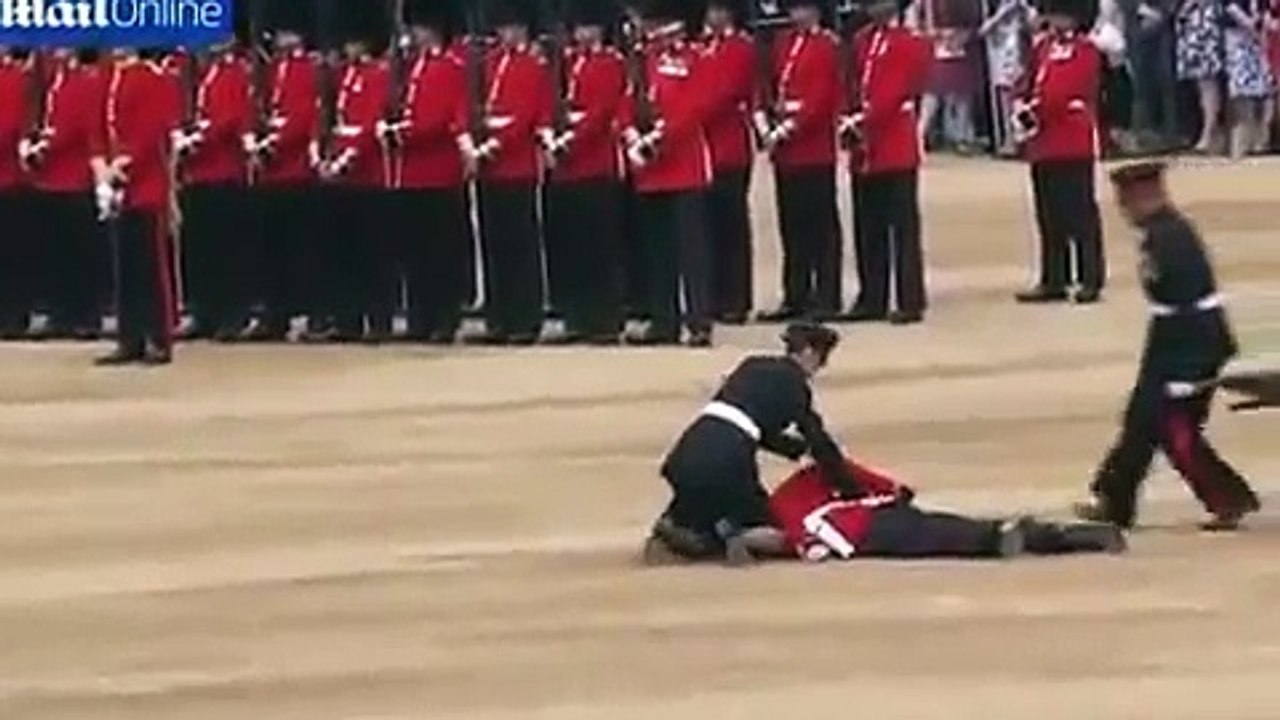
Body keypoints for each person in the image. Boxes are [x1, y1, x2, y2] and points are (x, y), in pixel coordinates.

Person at [1075, 161, 1261, 531]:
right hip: (1171, 337)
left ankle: (1228, 499)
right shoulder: (1162, 231)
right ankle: (1116, 499)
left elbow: (1187, 300)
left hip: (1189, 341)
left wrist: (1184, 370)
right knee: (1141, 420)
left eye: (1127, 200)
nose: (1124, 209)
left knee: (1174, 427)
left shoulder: (1169, 236)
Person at [642, 322, 865, 565]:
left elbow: (752, 423)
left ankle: (681, 527)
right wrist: (849, 486)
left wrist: (797, 450)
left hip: (688, 451)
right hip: (728, 463)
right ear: (808, 352)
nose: (820, 367)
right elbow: (820, 442)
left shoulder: (752, 365)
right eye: (822, 360)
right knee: (768, 525)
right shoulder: (795, 386)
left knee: (701, 502)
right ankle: (732, 535)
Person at [769, 458, 1126, 562]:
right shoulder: (802, 479)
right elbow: (847, 469)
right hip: (881, 513)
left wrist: (809, 547)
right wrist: (892, 488)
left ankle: (1004, 537)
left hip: (868, 530)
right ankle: (1072, 536)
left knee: (948, 535)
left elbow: (801, 540)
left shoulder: (781, 506)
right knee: (945, 529)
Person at [619, 0, 716, 347]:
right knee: (658, 251)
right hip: (651, 169)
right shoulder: (641, 61)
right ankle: (665, 320)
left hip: (685, 166)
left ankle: (699, 321)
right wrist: (632, 137)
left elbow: (695, 108)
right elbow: (626, 104)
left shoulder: (694, 58)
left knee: (691, 250)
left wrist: (657, 139)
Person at [458, 0, 554, 346]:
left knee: (520, 246)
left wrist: (488, 149)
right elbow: (468, 107)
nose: (507, 34)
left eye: (513, 28)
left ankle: (525, 319)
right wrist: (469, 143)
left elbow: (526, 116)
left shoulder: (533, 66)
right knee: (493, 244)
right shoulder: (489, 64)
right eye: (503, 28)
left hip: (515, 167)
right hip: (487, 170)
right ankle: (498, 317)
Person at [840, 0, 933, 326]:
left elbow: (896, 93)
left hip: (894, 141)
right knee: (869, 226)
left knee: (902, 228)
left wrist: (861, 120)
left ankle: (910, 298)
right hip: (866, 146)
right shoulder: (862, 40)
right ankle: (872, 296)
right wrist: (849, 117)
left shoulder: (911, 42)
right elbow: (851, 85)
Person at [540, 0, 627, 345]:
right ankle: (576, 316)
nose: (583, 33)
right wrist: (550, 137)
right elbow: (548, 105)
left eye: (588, 27)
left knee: (598, 247)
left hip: (593, 165)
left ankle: (603, 319)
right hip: (563, 170)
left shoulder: (610, 63)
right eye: (578, 28)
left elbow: (601, 113)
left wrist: (567, 142)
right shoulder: (566, 62)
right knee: (570, 246)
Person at [92, 47, 182, 366]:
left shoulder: (151, 79)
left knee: (150, 268)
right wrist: (102, 171)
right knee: (125, 268)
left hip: (145, 185)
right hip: (119, 188)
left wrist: (119, 169)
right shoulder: (107, 77)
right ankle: (129, 337)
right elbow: (98, 129)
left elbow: (149, 135)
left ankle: (159, 337)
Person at [1012, 0, 1106, 306]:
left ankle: (1090, 277)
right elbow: (1027, 82)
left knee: (1079, 213)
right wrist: (1020, 104)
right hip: (1044, 141)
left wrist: (1035, 109)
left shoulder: (1086, 50)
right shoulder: (1042, 48)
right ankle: (1055, 277)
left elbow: (1071, 89)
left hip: (1071, 141)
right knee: (1049, 214)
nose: (1053, 19)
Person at [388, 0, 469, 344]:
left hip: (439, 171)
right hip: (409, 173)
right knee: (415, 251)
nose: (413, 34)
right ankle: (420, 316)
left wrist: (402, 132)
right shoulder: (411, 67)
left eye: (418, 28)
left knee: (440, 251)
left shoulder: (450, 66)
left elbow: (441, 118)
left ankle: (444, 318)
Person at [755, 0, 842, 322]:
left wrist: (788, 128)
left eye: (803, 9)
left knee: (820, 226)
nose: (797, 15)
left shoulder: (827, 45)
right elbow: (773, 86)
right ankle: (796, 295)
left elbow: (822, 98)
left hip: (814, 148)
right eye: (794, 9)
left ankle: (826, 296)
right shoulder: (784, 43)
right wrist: (768, 123)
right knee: (792, 226)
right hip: (787, 154)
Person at [318, 2, 394, 343]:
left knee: (372, 253)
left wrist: (343, 161)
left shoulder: (377, 75)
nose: (347, 48)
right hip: (342, 175)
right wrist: (324, 158)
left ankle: (378, 320)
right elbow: (334, 123)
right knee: (342, 251)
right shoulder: (345, 75)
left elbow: (368, 125)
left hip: (368, 174)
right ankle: (348, 318)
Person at [172, 33, 254, 342]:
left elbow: (229, 121)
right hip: (196, 174)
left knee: (225, 250)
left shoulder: (233, 74)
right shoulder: (197, 73)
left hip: (222, 171)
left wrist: (195, 140)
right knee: (198, 249)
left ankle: (231, 314)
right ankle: (203, 310)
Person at [246, 1, 320, 341]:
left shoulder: (306, 69)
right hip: (268, 173)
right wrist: (254, 140)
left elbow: (302, 118)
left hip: (294, 170)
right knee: (269, 249)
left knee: (299, 248)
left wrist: (271, 145)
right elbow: (258, 109)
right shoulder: (270, 69)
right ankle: (274, 313)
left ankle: (303, 311)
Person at [25, 48, 106, 340]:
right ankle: (61, 313)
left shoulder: (82, 81)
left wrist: (43, 148)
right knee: (56, 253)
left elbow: (75, 127)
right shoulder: (55, 81)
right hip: (50, 178)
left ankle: (86, 315)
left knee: (80, 254)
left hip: (74, 178)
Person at [701, 0, 755, 325]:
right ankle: (715, 295)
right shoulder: (705, 47)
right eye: (711, 11)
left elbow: (726, 92)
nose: (714, 16)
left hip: (729, 147)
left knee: (731, 226)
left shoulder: (740, 48)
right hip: (705, 148)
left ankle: (736, 299)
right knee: (709, 227)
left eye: (720, 11)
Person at [0, 46, 32, 339]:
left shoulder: (11, 79)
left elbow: (7, 128)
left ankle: (12, 316)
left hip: (7, 179)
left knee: (9, 253)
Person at [1222, 0, 1273, 157]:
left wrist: (1263, 29)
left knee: (1266, 89)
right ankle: (1243, 139)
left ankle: (1261, 139)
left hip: (1263, 38)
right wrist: (1250, 26)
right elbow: (1230, 6)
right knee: (1241, 90)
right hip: (1238, 37)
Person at [1175, 0, 1225, 153]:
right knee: (1200, 84)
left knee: (1208, 82)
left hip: (1205, 24)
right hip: (1193, 24)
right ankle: (1209, 130)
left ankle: (1210, 132)